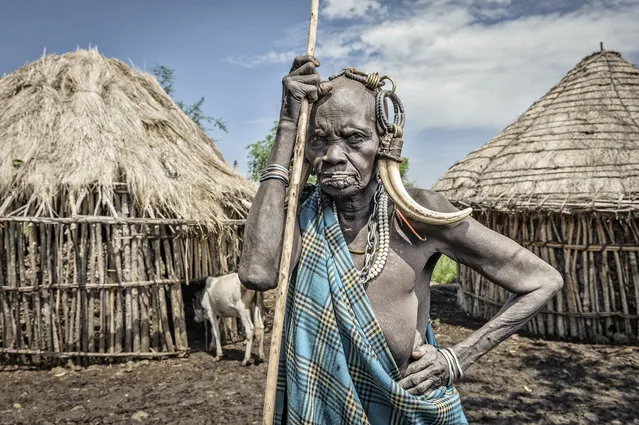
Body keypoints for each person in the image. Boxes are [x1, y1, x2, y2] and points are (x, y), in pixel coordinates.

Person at [239, 55, 563, 425]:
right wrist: (286, 126)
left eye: (354, 138)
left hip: (406, 408)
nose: (331, 156)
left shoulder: (421, 214)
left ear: (384, 143)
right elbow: (258, 273)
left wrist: (457, 358)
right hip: (321, 409)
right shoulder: (296, 214)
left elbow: (542, 280)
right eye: (318, 140)